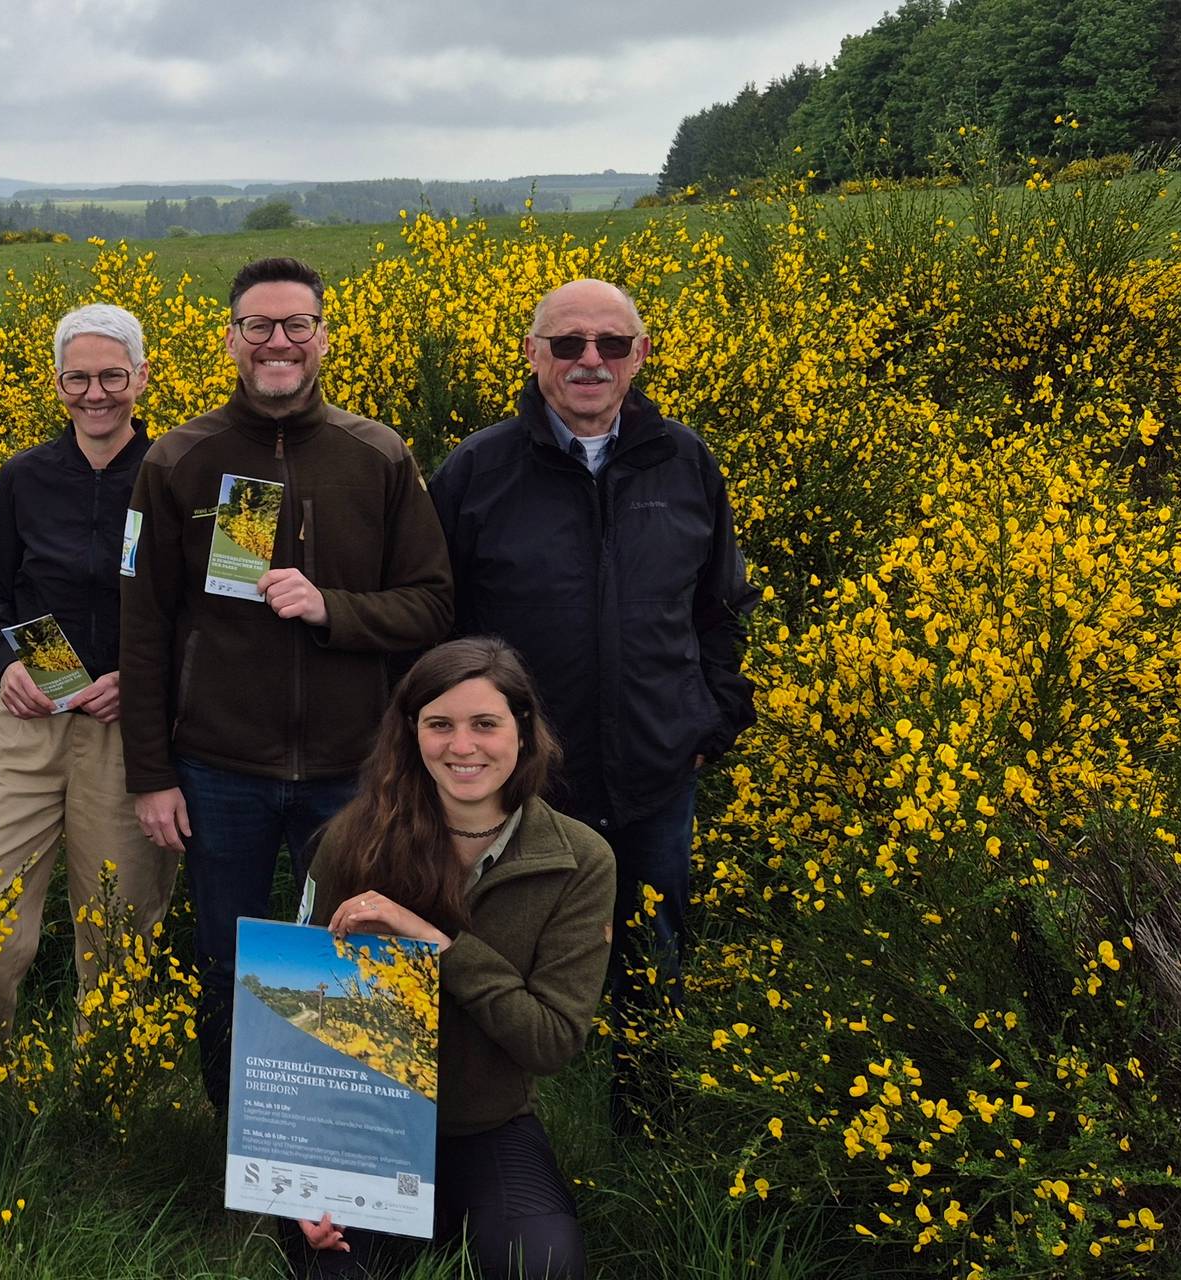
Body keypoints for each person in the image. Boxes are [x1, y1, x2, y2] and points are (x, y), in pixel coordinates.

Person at [118, 256, 454, 1105]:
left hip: (352, 768)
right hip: (216, 768)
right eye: (259, 326)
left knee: (354, 954)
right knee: (225, 958)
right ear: (231, 339)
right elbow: (144, 626)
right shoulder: (178, 459)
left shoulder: (377, 454)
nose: (278, 341)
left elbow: (432, 603)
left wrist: (331, 608)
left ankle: (348, 1139)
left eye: (296, 325)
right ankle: (236, 1137)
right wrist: (151, 773)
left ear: (323, 338)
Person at [428, 278, 754, 1130]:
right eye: (567, 343)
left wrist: (712, 719)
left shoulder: (683, 461)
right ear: (531, 353)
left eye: (611, 344)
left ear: (639, 356)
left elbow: (720, 606)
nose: (590, 361)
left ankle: (646, 1119)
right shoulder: (476, 470)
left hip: (655, 765)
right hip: (520, 777)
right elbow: (438, 623)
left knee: (653, 947)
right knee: (499, 945)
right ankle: (495, 1126)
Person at [290, 637, 609, 1280]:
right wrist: (300, 1175)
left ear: (523, 729)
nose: (463, 747)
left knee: (544, 1268)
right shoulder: (351, 838)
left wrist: (437, 945)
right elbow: (294, 1014)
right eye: (440, 725)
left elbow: (550, 1042)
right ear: (412, 734)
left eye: (485, 724)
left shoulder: (579, 859)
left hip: (486, 1124)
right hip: (358, 1128)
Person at [0, 302, 173, 1028]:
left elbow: (210, 611)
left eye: (112, 376)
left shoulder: (178, 473)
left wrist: (143, 680)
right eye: (78, 378)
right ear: (57, 383)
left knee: (119, 923)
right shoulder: (24, 476)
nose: (95, 394)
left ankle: (108, 1078)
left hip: (131, 731)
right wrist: (4, 661)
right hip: (29, 716)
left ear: (142, 376)